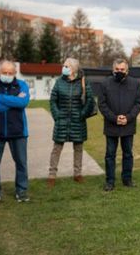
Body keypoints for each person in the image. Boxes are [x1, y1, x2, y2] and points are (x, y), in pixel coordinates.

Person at [0, 60, 30, 205]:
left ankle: (21, 191)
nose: (7, 75)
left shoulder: (22, 85)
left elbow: (23, 103)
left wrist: (1, 99)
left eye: (10, 73)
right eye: (4, 72)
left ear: (15, 73)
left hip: (18, 131)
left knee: (21, 163)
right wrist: (13, 102)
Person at [47, 58, 94, 187]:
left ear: (74, 68)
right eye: (64, 65)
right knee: (56, 149)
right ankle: (52, 175)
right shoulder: (59, 82)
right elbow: (53, 100)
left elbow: (90, 100)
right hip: (61, 121)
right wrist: (57, 115)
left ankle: (77, 174)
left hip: (77, 121)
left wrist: (82, 114)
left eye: (67, 66)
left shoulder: (83, 82)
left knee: (78, 148)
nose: (64, 67)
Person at [98, 59, 140, 191]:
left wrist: (128, 118)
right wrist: (114, 118)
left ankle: (127, 179)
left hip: (128, 126)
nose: (119, 72)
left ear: (127, 70)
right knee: (110, 155)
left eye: (122, 70)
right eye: (117, 70)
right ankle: (110, 181)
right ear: (113, 70)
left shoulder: (135, 84)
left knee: (128, 154)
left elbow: (138, 103)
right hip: (111, 125)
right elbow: (102, 104)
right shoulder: (105, 83)